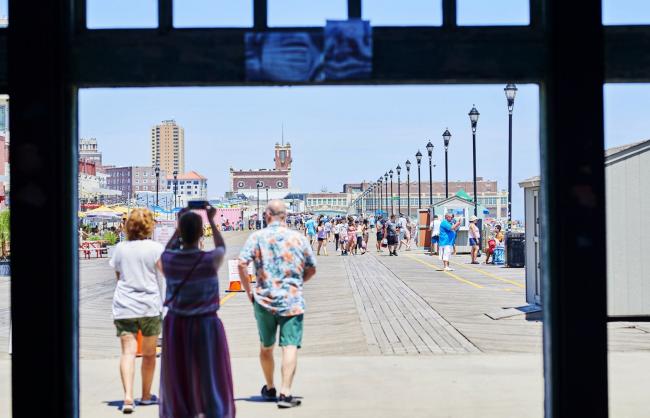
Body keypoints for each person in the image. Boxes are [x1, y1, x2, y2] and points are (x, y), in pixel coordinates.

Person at [238, 200, 317, 409]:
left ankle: (270, 387)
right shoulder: (298, 238)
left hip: (264, 299)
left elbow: (241, 264)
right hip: (291, 300)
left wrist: (249, 291)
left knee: (266, 346)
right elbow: (311, 268)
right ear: (285, 216)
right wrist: (297, 283)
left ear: (266, 215)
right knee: (289, 345)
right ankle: (285, 392)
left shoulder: (257, 237)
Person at [158, 205, 235, 418]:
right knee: (211, 373)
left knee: (178, 373)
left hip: (177, 325)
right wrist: (211, 220)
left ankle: (181, 411)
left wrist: (179, 226)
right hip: (206, 324)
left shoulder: (170, 261)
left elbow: (165, 251)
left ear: (181, 233)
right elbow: (221, 247)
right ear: (201, 233)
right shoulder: (209, 260)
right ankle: (214, 411)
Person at [109, 208, 164, 413]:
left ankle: (128, 398)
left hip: (124, 305)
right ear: (149, 225)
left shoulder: (120, 249)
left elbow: (118, 276)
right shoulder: (155, 248)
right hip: (149, 305)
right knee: (149, 354)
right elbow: (165, 272)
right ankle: (146, 395)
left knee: (127, 353)